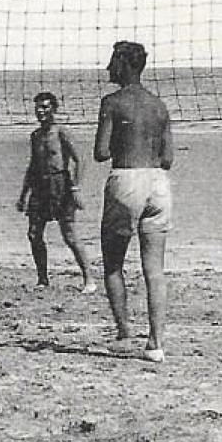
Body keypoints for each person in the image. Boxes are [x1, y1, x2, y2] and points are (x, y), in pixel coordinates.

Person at [94, 41, 173, 362]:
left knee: (113, 264)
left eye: (113, 61)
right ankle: (155, 344)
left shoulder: (112, 102)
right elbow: (168, 158)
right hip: (159, 183)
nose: (108, 67)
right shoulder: (159, 105)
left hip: (126, 180)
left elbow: (100, 152)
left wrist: (124, 141)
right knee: (154, 269)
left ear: (125, 64)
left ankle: (125, 332)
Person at [18, 92, 95, 293]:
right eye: (38, 107)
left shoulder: (61, 132)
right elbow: (32, 166)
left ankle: (89, 278)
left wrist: (75, 188)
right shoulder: (35, 136)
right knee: (34, 234)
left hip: (60, 183)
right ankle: (42, 279)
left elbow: (80, 160)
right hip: (39, 185)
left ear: (54, 109)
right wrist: (23, 195)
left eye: (45, 107)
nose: (41, 111)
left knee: (69, 235)